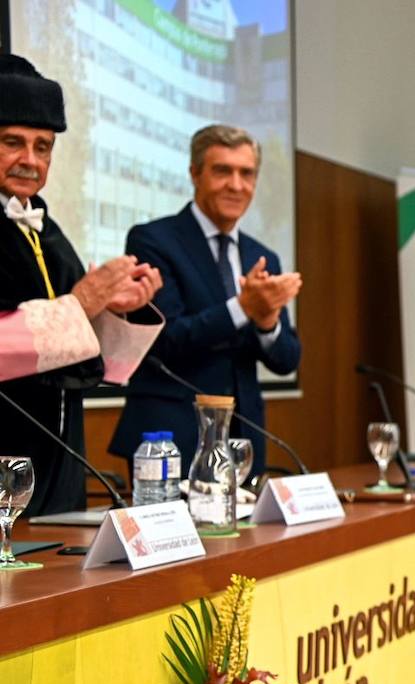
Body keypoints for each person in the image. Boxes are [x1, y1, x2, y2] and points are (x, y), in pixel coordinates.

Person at [0, 53, 160, 515]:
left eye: (43, 146)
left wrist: (116, 307)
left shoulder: (44, 227)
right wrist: (83, 300)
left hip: (61, 459)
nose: (31, 160)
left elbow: (77, 349)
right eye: (13, 143)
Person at [108, 124, 302, 477]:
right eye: (222, 171)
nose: (236, 184)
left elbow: (287, 359)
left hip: (242, 442)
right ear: (195, 174)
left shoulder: (263, 256)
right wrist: (243, 308)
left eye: (246, 173)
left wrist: (267, 322)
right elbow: (166, 340)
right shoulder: (152, 241)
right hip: (168, 440)